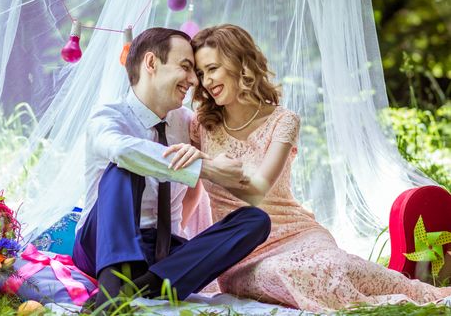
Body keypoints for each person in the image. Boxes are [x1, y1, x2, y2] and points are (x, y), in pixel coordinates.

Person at [166, 24, 451, 312]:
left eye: (212, 68)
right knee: (289, 274)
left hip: (297, 233)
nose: (206, 80)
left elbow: (258, 190)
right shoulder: (201, 125)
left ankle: (427, 293)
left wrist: (207, 166)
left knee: (332, 265)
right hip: (242, 253)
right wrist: (179, 246)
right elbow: (191, 193)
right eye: (201, 73)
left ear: (239, 63)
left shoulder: (283, 120)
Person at [72, 27, 271, 308]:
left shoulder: (187, 122)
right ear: (151, 63)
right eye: (186, 67)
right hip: (102, 244)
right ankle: (112, 289)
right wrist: (204, 168)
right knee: (125, 167)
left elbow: (234, 160)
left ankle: (146, 286)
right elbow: (121, 149)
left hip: (163, 254)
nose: (193, 80)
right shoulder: (107, 115)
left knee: (255, 221)